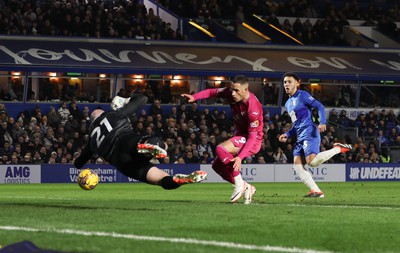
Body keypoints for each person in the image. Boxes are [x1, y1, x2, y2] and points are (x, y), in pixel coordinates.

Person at [74, 93, 207, 191]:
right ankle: (150, 148)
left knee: (160, 180)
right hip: (125, 141)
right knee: (161, 144)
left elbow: (78, 163)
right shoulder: (113, 114)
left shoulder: (91, 140)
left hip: (121, 162)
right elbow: (143, 98)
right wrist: (124, 100)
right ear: (104, 114)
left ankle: (175, 180)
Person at [181, 75, 263, 204]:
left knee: (220, 148)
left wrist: (240, 158)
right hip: (240, 135)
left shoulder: (253, 108)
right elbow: (211, 92)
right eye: (232, 89)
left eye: (237, 90)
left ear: (246, 90)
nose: (233, 93)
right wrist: (194, 97)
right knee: (216, 165)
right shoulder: (230, 93)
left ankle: (239, 184)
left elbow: (252, 137)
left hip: (253, 140)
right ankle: (247, 186)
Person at [278, 72, 352, 198]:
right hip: (299, 135)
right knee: (297, 166)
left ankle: (338, 148)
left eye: (289, 81)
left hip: (309, 131)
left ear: (297, 83)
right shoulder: (288, 104)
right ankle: (316, 191)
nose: (287, 84)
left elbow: (320, 107)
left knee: (311, 162)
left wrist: (322, 122)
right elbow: (296, 124)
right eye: (285, 82)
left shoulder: (303, 95)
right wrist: (288, 134)